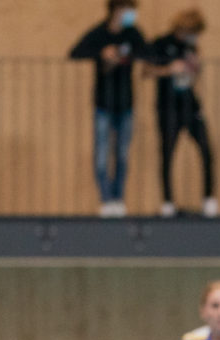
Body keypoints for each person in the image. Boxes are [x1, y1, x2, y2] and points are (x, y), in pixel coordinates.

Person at [69, 0, 150, 217]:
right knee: (102, 156)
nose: (131, 15)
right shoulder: (99, 33)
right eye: (128, 10)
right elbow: (75, 52)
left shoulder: (133, 34)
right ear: (116, 10)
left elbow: (148, 53)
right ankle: (105, 199)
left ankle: (118, 198)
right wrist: (101, 53)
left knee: (122, 154)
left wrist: (129, 55)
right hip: (103, 104)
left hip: (125, 103)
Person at [143, 8, 217, 218]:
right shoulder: (160, 44)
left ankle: (209, 198)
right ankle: (167, 201)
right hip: (168, 107)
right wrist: (169, 69)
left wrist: (195, 69)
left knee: (206, 149)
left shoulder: (191, 47)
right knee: (167, 153)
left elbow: (194, 76)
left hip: (189, 105)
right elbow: (146, 71)